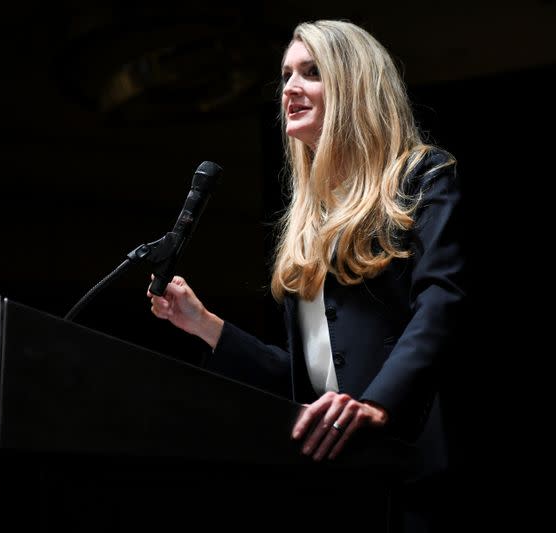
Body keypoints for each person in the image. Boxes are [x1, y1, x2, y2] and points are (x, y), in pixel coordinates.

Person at [148, 19, 466, 533]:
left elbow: (442, 301)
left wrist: (377, 403)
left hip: (410, 473)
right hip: (337, 484)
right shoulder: (311, 221)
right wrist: (205, 324)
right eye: (286, 75)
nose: (290, 88)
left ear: (353, 85)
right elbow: (306, 383)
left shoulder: (421, 177)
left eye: (311, 73)